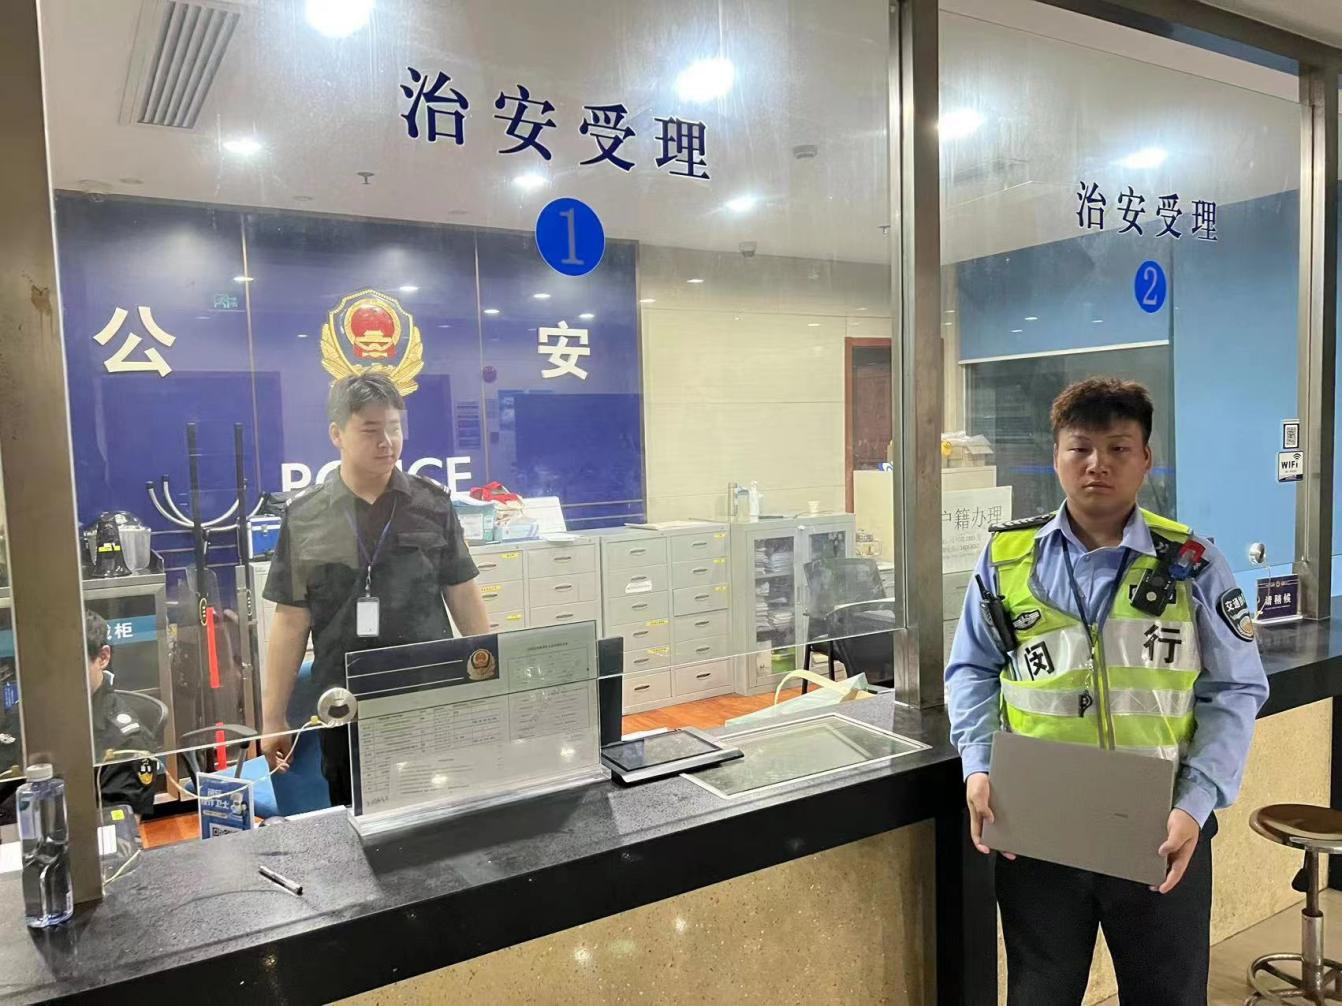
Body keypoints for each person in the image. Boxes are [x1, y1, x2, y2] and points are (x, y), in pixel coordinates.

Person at [945, 377, 1268, 1005]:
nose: (1098, 464)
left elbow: (1235, 689)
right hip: (1039, 822)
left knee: (1167, 994)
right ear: (1056, 456)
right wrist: (978, 765)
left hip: (1161, 822)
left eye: (1118, 448)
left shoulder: (1191, 563)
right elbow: (972, 670)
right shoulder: (1006, 558)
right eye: (1080, 448)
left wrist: (1196, 803)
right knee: (1040, 991)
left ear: (1145, 458)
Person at [261, 374, 490, 805]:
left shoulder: (432, 503)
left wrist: (491, 677)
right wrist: (273, 718)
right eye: (370, 430)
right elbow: (291, 620)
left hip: (427, 693)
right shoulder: (305, 516)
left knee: (439, 812)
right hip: (345, 704)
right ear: (337, 434)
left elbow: (463, 594)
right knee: (356, 817)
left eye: (394, 427)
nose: (387, 442)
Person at [0, 611, 158, 826]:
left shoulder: (127, 740)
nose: (56, 677)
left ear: (103, 657)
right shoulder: (29, 713)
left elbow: (117, 831)